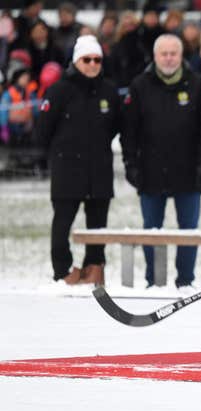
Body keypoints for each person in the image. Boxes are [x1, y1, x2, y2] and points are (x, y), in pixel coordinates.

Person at [121, 34, 201, 289]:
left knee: (188, 230)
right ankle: (154, 281)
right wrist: (130, 164)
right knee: (151, 230)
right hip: (150, 172)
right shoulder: (139, 85)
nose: (168, 58)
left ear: (181, 55)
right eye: (163, 53)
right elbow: (128, 132)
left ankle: (185, 280)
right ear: (155, 56)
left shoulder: (197, 84)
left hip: (189, 172)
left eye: (173, 53)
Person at [34, 35, 120, 285]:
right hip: (67, 168)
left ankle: (94, 266)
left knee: (97, 224)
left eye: (97, 59)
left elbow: (115, 126)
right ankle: (62, 270)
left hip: (99, 168)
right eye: (87, 59)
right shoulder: (60, 90)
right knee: (62, 221)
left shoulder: (109, 91)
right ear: (76, 61)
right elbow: (43, 129)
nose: (93, 64)